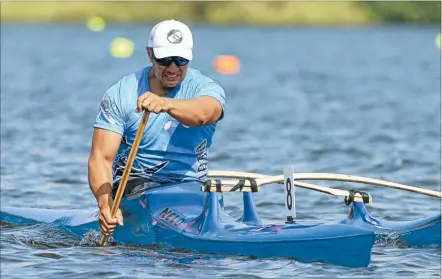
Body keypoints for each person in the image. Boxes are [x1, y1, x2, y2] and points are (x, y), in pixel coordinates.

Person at [87, 19, 226, 237]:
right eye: (164, 59)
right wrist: (105, 205)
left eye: (180, 60)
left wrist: (166, 104)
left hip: (192, 189)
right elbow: (101, 158)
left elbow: (204, 114)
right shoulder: (121, 94)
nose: (172, 67)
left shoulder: (205, 87)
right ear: (149, 54)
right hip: (136, 189)